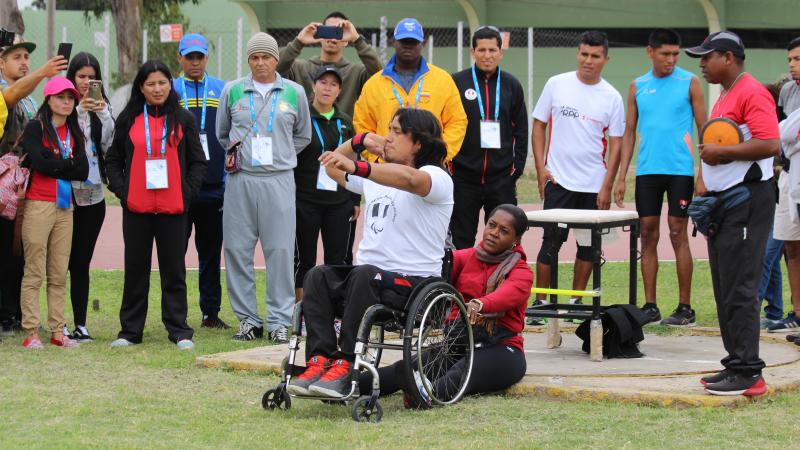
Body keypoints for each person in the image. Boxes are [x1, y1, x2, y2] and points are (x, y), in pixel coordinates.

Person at [287, 108, 454, 399]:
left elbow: (409, 180)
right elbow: (331, 169)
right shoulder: (379, 176)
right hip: (368, 280)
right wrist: (357, 142)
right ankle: (319, 361)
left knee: (364, 273)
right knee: (317, 275)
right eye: (387, 129)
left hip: (413, 284)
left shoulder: (436, 177)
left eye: (397, 131)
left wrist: (360, 167)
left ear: (418, 142)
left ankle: (346, 363)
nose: (388, 137)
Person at [357, 204, 532, 407]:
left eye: (504, 231)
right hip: (458, 345)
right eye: (492, 225)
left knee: (462, 371)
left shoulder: (522, 271)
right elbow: (431, 269)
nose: (494, 233)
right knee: (405, 368)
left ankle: (423, 396)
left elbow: (507, 294)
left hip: (503, 351)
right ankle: (347, 386)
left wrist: (481, 304)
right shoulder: (466, 257)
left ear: (516, 240)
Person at [686, 31, 779, 396]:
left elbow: (769, 142)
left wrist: (721, 156)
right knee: (725, 284)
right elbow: (714, 144)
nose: (702, 64)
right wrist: (703, 178)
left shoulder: (752, 91)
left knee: (741, 286)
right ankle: (735, 363)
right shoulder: (725, 95)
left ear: (728, 57)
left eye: (707, 57)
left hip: (748, 201)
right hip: (725, 202)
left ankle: (750, 373)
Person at [216, 32, 312, 344]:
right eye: (254, 57)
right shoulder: (233, 91)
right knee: (237, 250)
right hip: (241, 180)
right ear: (248, 60)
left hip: (279, 180)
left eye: (266, 57)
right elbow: (222, 133)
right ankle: (247, 320)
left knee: (281, 252)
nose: (260, 63)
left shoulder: (294, 92)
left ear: (276, 59)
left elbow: (303, 136)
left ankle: (279, 322)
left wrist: (279, 156)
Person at [105, 60, 207, 350]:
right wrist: (124, 192)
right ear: (141, 87)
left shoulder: (184, 119)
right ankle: (130, 331)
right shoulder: (128, 119)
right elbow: (112, 160)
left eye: (162, 82)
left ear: (170, 85)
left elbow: (198, 162)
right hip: (137, 208)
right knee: (135, 269)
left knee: (173, 270)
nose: (157, 88)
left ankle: (179, 330)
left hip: (174, 209)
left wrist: (187, 193)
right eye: (150, 83)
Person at [614, 29, 707, 326]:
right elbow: (629, 133)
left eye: (675, 54)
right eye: (665, 53)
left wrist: (703, 173)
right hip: (647, 172)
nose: (671, 59)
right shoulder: (637, 86)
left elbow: (706, 131)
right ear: (650, 52)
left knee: (678, 233)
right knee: (648, 235)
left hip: (680, 170)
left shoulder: (690, 82)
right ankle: (650, 306)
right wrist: (621, 176)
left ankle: (685, 307)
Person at [530, 30, 624, 308]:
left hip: (593, 187)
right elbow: (539, 125)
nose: (588, 60)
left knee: (589, 247)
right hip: (559, 183)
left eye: (595, 56)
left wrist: (607, 185)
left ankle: (576, 301)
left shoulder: (612, 97)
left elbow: (616, 144)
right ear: (577, 54)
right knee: (550, 244)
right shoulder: (556, 84)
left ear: (606, 59)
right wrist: (540, 167)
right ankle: (542, 302)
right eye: (584, 54)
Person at [0, 39, 68, 337]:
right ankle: (5, 316)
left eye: (27, 56)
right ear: (1, 63)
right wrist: (42, 73)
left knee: (19, 250)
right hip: (4, 181)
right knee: (4, 248)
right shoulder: (11, 89)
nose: (24, 61)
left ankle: (15, 313)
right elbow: (8, 98)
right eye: (16, 57)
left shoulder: (28, 96)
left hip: (22, 181)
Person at [18, 76, 88, 349]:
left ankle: (58, 331)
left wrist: (58, 163)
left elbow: (82, 171)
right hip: (38, 204)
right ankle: (31, 331)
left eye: (71, 98)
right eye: (61, 97)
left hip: (65, 206)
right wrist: (65, 163)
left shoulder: (75, 131)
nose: (67, 102)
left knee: (59, 272)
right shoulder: (36, 128)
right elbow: (40, 164)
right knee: (34, 270)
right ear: (48, 99)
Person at [449, 26, 528, 250]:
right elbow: (447, 124)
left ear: (501, 52)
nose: (487, 55)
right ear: (472, 51)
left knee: (502, 238)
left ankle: (499, 283)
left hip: (501, 178)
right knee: (461, 238)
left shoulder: (511, 85)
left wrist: (517, 168)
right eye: (481, 50)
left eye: (492, 50)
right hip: (463, 178)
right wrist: (450, 165)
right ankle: (459, 284)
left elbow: (521, 129)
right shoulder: (457, 82)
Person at [173, 33, 229, 329]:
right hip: (180, 189)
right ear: (180, 58)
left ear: (207, 58)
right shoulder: (170, 90)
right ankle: (177, 312)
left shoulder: (221, 89)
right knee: (175, 254)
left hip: (213, 188)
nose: (195, 62)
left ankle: (210, 312)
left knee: (210, 254)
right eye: (189, 57)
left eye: (200, 57)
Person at [353, 18, 467, 163]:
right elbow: (362, 123)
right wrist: (376, 157)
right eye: (403, 41)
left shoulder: (443, 80)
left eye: (413, 42)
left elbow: (457, 121)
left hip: (427, 165)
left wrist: (439, 154)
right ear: (394, 42)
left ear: (422, 44)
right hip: (386, 167)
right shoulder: (374, 84)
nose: (408, 46)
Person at [293, 66, 357, 300]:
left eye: (333, 84)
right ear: (313, 86)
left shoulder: (345, 122)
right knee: (304, 260)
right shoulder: (302, 118)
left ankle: (335, 314)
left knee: (338, 261)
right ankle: (302, 312)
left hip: (339, 202)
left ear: (339, 90)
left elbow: (354, 162)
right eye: (323, 82)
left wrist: (355, 200)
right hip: (305, 201)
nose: (327, 88)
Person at [63, 52, 114, 342]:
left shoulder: (102, 109)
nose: (85, 82)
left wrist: (102, 112)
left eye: (91, 77)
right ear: (72, 78)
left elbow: (109, 144)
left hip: (94, 195)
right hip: (65, 195)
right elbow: (67, 139)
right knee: (59, 262)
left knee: (81, 262)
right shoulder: (63, 107)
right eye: (80, 76)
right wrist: (80, 110)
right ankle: (58, 322)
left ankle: (81, 323)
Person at [277, 11, 381, 118]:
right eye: (328, 31)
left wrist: (357, 40)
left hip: (344, 131)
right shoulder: (300, 68)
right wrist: (298, 42)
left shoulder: (356, 72)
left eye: (337, 32)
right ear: (320, 35)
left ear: (346, 41)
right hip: (307, 131)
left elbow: (379, 75)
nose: (332, 38)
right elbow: (275, 71)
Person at [767, 37, 800, 334]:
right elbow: (779, 134)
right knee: (791, 244)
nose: (792, 65)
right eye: (790, 59)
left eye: (798, 59)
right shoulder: (788, 91)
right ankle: (797, 313)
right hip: (789, 174)